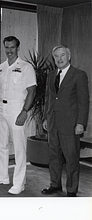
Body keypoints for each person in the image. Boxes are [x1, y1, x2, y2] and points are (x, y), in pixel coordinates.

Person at [0, 36, 36, 195]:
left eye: (12, 47)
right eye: (6, 47)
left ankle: (19, 183)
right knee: (1, 144)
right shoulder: (1, 67)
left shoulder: (26, 67)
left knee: (19, 147)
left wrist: (24, 111)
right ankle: (2, 176)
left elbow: (32, 91)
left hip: (17, 107)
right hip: (1, 106)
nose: (9, 50)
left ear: (17, 48)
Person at [41, 45, 89, 197]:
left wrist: (81, 123)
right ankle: (55, 185)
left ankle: (72, 190)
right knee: (53, 156)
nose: (59, 59)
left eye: (62, 55)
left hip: (70, 124)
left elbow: (83, 101)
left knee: (71, 158)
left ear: (69, 56)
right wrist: (45, 118)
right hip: (52, 122)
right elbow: (48, 98)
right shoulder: (51, 75)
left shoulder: (79, 75)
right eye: (56, 56)